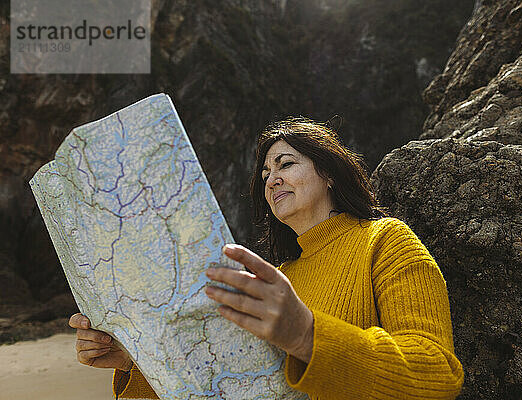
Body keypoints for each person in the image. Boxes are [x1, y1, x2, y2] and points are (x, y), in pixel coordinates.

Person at [69, 117, 464, 399]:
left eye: (286, 164)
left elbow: (438, 374)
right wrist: (133, 362)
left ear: (328, 172)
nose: (271, 178)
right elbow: (222, 382)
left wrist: (307, 336)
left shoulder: (386, 241)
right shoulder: (276, 279)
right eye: (264, 175)